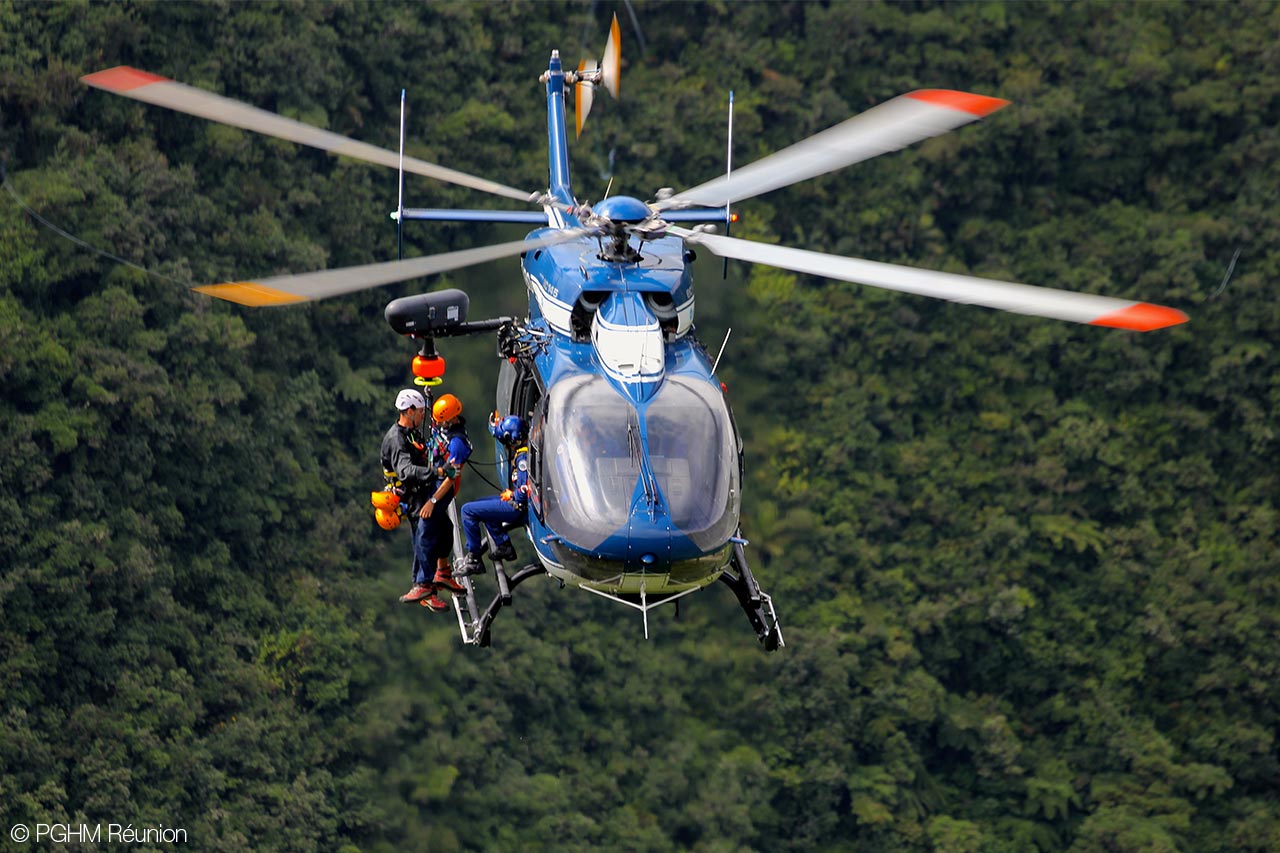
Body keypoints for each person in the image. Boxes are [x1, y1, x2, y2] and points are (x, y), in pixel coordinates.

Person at [379, 389, 453, 612]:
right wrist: (438, 470)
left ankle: (439, 575)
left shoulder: (411, 432)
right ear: (409, 411)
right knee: (425, 534)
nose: (422, 416)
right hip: (410, 493)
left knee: (444, 528)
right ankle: (423, 585)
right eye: (420, 412)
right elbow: (406, 470)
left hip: (421, 489)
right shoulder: (397, 439)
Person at [455, 415, 529, 577]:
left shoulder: (523, 458)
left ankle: (474, 559)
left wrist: (513, 494)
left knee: (468, 511)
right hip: (520, 506)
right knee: (482, 504)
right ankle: (503, 545)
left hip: (520, 508)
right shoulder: (523, 451)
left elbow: (524, 492)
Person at [421, 393, 472, 592]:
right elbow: (433, 420)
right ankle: (436, 575)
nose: (439, 424)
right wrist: (429, 398)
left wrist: (433, 501)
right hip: (431, 478)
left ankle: (433, 576)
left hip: (440, 488)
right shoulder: (443, 425)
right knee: (439, 528)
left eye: (443, 421)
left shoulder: (457, 443)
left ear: (451, 418)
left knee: (437, 528)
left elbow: (451, 478)